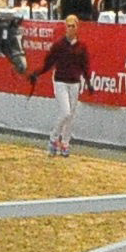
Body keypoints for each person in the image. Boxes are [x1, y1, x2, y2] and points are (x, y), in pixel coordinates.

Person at [33, 16, 91, 157]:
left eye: (73, 26)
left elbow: (85, 66)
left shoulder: (81, 46)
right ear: (65, 27)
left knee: (71, 115)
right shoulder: (59, 45)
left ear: (77, 27)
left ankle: (65, 143)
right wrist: (38, 73)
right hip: (60, 81)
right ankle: (53, 138)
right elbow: (49, 62)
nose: (71, 29)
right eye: (68, 26)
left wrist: (88, 82)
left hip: (75, 82)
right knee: (65, 112)